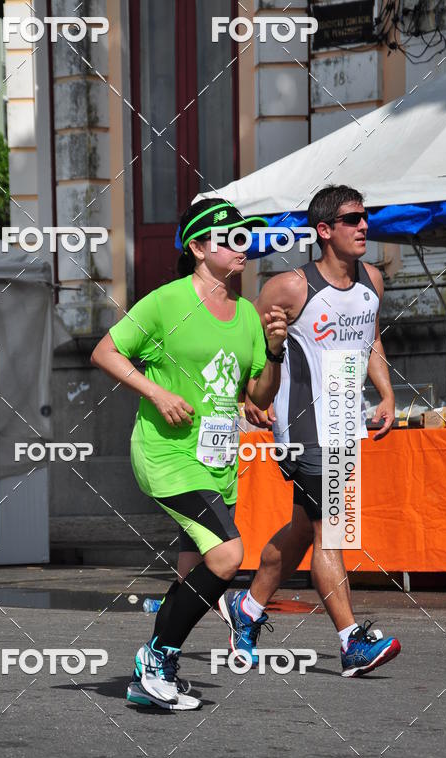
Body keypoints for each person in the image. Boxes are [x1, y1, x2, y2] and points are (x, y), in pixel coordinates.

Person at [91, 197, 287, 709]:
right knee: (227, 555)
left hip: (220, 463)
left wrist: (273, 351)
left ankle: (152, 676)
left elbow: (259, 397)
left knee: (191, 573)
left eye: (245, 237)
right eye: (230, 238)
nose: (242, 246)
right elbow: (104, 352)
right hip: (168, 457)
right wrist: (155, 392)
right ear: (198, 248)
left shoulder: (246, 313)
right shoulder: (166, 302)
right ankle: (156, 659)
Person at [220, 185, 401, 678]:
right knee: (330, 530)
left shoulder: (374, 281)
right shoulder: (290, 288)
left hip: (346, 420)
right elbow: (246, 346)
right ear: (324, 231)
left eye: (365, 217)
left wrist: (384, 394)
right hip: (303, 424)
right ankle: (349, 643)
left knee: (304, 527)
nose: (364, 226)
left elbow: (372, 338)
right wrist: (244, 400)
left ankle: (248, 608)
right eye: (352, 219)